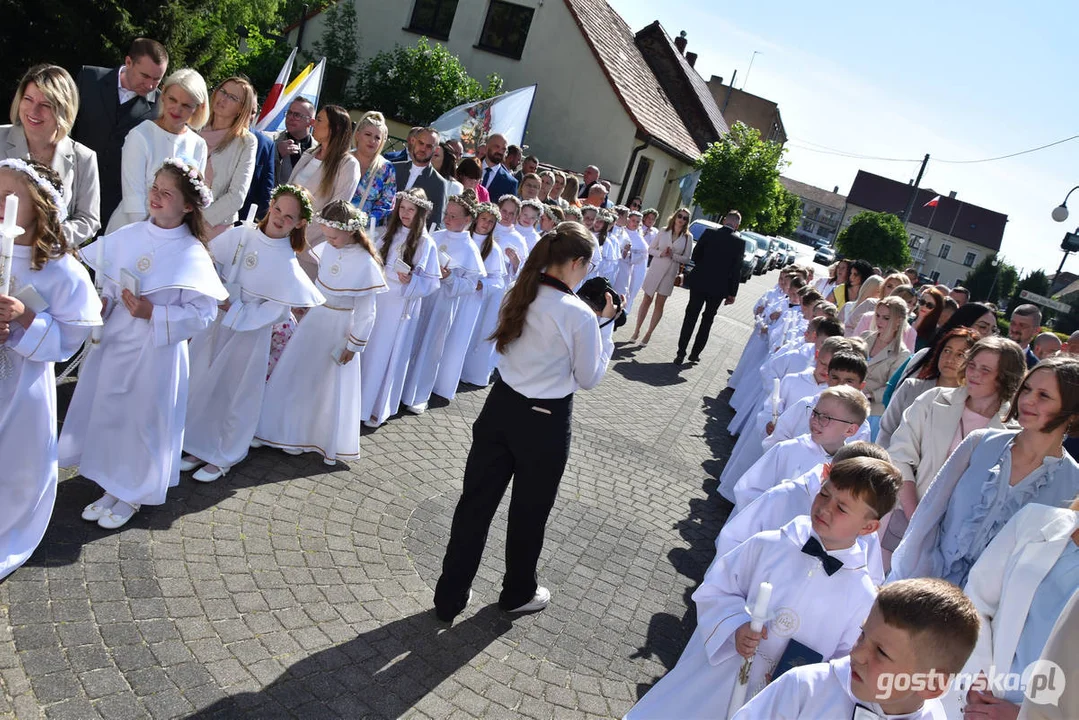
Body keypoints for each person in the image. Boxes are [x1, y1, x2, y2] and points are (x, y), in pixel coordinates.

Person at [434, 221, 617, 622]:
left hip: (500, 407)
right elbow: (589, 379)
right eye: (586, 265)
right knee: (528, 514)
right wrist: (606, 325)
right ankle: (517, 591)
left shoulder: (520, 291)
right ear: (575, 263)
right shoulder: (579, 315)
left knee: (474, 506)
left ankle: (449, 596)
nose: (586, 273)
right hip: (545, 422)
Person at [627, 457, 899, 718]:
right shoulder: (768, 545)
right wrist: (736, 623)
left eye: (841, 507)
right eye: (824, 494)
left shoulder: (862, 596)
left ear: (868, 527)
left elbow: (844, 663)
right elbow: (717, 588)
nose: (825, 508)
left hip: (777, 704)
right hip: (720, 676)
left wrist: (806, 687)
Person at [58, 159, 227, 529]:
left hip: (157, 352)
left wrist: (156, 313)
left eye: (167, 193)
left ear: (186, 206)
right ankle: (110, 483)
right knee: (113, 413)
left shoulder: (192, 253)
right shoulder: (131, 234)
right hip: (117, 343)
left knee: (143, 421)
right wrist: (103, 301)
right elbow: (110, 280)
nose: (156, 196)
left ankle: (133, 493)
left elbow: (203, 314)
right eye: (155, 187)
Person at [889, 355, 1079, 586]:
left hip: (991, 614)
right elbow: (928, 516)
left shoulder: (1073, 483)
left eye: (1044, 396)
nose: (1028, 400)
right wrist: (907, 581)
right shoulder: (979, 443)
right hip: (923, 584)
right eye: (1027, 389)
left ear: (1072, 412)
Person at [180, 185, 324, 481]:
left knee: (236, 392)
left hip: (249, 333)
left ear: (299, 223)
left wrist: (236, 310)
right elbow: (211, 259)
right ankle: (198, 443)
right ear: (270, 205)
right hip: (219, 323)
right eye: (278, 210)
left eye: (289, 217)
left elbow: (277, 309)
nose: (280, 219)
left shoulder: (287, 263)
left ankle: (224, 454)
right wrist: (215, 292)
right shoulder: (242, 234)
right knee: (206, 382)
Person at [0, 159, 101, 579]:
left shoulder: (59, 269)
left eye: (8, 197)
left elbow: (69, 339)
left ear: (39, 207)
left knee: (15, 460)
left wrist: (25, 318)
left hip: (24, 385)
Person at [733, 578, 980, 720]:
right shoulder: (805, 688)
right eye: (862, 635)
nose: (857, 653)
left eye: (882, 653)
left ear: (931, 685)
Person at [255, 201, 387, 464]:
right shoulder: (328, 247)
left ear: (350, 231)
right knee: (294, 374)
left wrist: (353, 345)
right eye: (326, 235)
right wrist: (307, 303)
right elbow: (319, 281)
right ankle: (275, 428)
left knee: (320, 385)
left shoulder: (365, 263)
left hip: (338, 327)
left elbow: (366, 312)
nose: (330, 241)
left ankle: (305, 437)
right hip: (316, 320)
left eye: (334, 237)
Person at [882, 337, 1025, 567]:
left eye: (985, 370)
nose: (974, 373)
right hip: (905, 518)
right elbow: (899, 457)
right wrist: (915, 517)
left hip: (958, 545)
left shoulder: (1014, 431)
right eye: (972, 365)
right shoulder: (932, 400)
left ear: (1005, 378)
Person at [946, 500, 1078, 718]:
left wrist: (1025, 715)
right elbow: (976, 599)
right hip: (972, 702)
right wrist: (977, 683)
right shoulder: (1034, 520)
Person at [360, 189, 440, 428]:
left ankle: (374, 406)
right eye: (402, 208)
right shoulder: (388, 233)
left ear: (420, 213)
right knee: (369, 350)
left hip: (400, 306)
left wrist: (412, 281)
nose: (405, 214)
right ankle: (357, 401)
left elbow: (432, 282)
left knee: (385, 354)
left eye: (411, 210)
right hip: (380, 299)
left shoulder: (426, 243)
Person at [400, 196, 485, 414]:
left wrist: (448, 278)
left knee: (431, 346)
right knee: (411, 338)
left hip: (443, 303)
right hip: (423, 297)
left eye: (453, 216)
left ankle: (419, 394)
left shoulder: (469, 248)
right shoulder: (434, 236)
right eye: (446, 213)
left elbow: (471, 284)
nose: (447, 218)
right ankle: (399, 388)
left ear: (467, 220)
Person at [2, 65, 100, 246]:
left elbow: (88, 220)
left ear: (64, 109)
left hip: (48, 260)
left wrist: (47, 239)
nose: (33, 111)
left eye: (45, 105)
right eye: (28, 99)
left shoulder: (84, 158)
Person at [72, 38, 168, 224]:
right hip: (76, 183)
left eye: (157, 79)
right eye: (145, 76)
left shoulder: (159, 106)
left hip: (117, 201)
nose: (150, 85)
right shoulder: (89, 78)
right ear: (128, 62)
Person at [731, 385, 871, 513]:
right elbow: (748, 488)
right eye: (815, 412)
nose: (815, 420)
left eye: (826, 417)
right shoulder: (788, 449)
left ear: (850, 430)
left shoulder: (847, 468)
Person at [105, 68, 209, 234]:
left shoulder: (199, 145)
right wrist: (153, 234)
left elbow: (192, 197)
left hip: (174, 233)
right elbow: (133, 197)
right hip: (131, 230)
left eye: (186, 105)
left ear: (198, 108)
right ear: (163, 95)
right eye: (172, 99)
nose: (176, 109)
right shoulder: (140, 135)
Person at [288, 105, 362, 275]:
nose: (313, 123)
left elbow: (333, 213)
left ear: (334, 128)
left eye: (319, 120)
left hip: (307, 249)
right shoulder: (310, 153)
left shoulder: (348, 165)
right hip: (284, 237)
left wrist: (296, 234)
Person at [878, 327, 977, 447]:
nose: (950, 359)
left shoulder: (972, 401)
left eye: (960, 355)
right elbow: (887, 429)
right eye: (947, 351)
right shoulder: (911, 387)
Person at [674, 210, 743, 364]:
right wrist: (732, 293)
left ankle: (681, 352)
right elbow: (736, 270)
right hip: (719, 288)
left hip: (699, 282)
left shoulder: (709, 233)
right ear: (737, 225)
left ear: (724, 220)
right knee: (708, 319)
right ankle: (695, 353)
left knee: (691, 316)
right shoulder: (739, 243)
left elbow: (696, 256)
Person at [200, 77, 258, 238]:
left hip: (213, 228)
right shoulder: (195, 126)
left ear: (241, 109)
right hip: (176, 218)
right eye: (223, 91)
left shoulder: (246, 142)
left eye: (232, 97)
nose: (223, 98)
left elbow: (237, 196)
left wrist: (198, 219)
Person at [459, 202, 508, 387]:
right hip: (456, 294)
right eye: (484, 219)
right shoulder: (463, 239)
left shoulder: (493, 249)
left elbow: (498, 280)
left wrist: (483, 284)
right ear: (476, 219)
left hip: (473, 300)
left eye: (491, 221)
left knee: (466, 337)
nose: (486, 224)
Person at [630, 208, 693, 345]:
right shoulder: (663, 231)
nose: (681, 219)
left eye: (685, 218)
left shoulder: (688, 237)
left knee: (659, 304)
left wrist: (673, 255)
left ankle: (648, 333)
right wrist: (661, 253)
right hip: (656, 269)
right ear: (675, 216)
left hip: (670, 273)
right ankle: (637, 330)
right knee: (646, 300)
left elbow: (687, 259)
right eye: (680, 216)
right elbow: (650, 249)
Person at [861, 296, 912, 437]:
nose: (879, 321)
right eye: (877, 315)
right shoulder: (865, 337)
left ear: (898, 322)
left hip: (872, 411)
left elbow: (893, 386)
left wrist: (870, 395)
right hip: (849, 398)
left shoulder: (902, 354)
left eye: (886, 318)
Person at [392, 126, 447, 227]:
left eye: (429, 146)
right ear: (413, 141)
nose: (423, 148)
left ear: (436, 150)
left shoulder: (438, 183)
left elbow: (434, 222)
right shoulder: (394, 168)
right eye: (421, 143)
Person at [349, 111, 397, 225]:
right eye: (368, 134)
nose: (372, 141)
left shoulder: (386, 168)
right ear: (357, 135)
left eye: (377, 137)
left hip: (364, 231)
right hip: (333, 224)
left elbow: (387, 203)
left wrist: (362, 222)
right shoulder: (343, 159)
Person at [240, 101, 275, 221]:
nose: (248, 115)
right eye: (246, 109)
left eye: (253, 112)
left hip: (242, 220)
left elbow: (266, 190)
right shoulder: (214, 135)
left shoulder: (265, 144)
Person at [273, 98, 315, 187]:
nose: (290, 118)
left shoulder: (321, 150)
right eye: (289, 113)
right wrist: (276, 152)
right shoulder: (270, 140)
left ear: (311, 122)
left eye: (297, 115)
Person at [477, 132, 517, 200]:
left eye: (503, 149)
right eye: (497, 147)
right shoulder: (468, 167)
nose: (500, 152)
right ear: (486, 147)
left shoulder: (510, 183)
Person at [1008, 303, 1042, 368]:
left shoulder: (1035, 367)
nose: (1015, 329)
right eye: (1013, 323)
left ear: (1036, 331)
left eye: (1022, 325)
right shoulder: (991, 350)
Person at [912, 286, 945, 351]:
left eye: (929, 305)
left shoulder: (934, 334)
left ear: (936, 309)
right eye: (922, 302)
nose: (924, 306)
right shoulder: (908, 320)